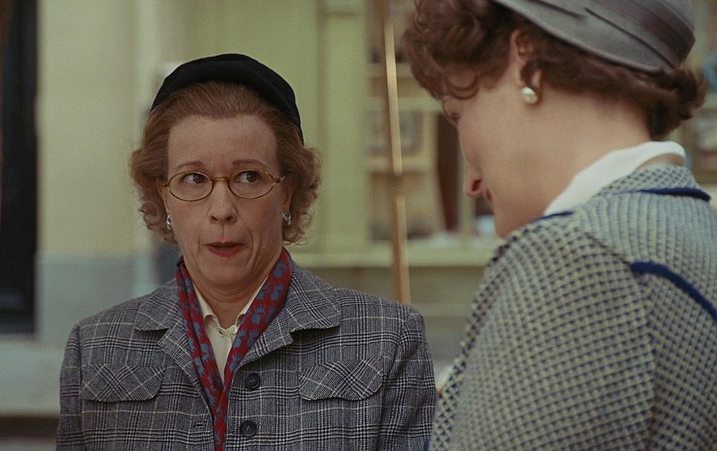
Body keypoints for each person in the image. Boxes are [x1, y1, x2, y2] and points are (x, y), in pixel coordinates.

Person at [56, 53, 437, 450]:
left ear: (287, 192)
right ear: (163, 195)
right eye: (193, 179)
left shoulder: (387, 339)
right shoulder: (95, 348)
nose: (222, 210)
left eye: (249, 177)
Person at [404, 0, 717, 449]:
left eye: (459, 113)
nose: (470, 181)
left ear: (525, 58)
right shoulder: (691, 228)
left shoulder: (579, 258)